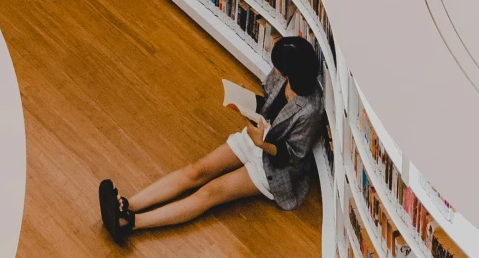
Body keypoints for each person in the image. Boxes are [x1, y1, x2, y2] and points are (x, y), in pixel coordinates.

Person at [99, 34, 324, 241]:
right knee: (195, 171)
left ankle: (131, 223)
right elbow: (268, 103)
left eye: (278, 69)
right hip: (258, 133)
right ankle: (129, 204)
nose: (273, 72)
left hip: (274, 164)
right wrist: (245, 101)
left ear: (291, 72)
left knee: (210, 193)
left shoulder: (311, 109)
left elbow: (293, 156)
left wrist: (261, 142)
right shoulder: (282, 75)